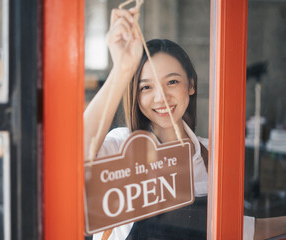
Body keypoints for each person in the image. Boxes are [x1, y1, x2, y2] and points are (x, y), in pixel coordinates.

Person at [84, 8, 285, 240]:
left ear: (190, 85)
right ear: (136, 96)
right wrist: (122, 70)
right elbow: (73, 155)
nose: (161, 97)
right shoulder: (121, 146)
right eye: (146, 87)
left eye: (172, 82)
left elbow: (235, 229)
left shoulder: (211, 156)